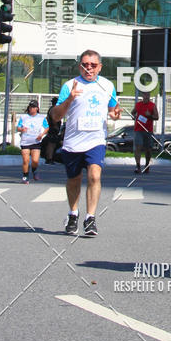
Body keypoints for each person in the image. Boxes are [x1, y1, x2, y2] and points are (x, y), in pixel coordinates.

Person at [50, 49, 121, 236]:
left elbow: (113, 110)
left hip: (96, 140)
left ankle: (90, 218)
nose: (88, 68)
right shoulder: (69, 85)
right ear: (80, 66)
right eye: (85, 64)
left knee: (94, 176)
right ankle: (73, 214)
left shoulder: (107, 86)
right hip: (73, 141)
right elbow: (56, 116)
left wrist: (115, 114)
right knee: (74, 180)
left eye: (93, 65)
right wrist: (71, 98)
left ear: (100, 67)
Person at [17, 99, 48, 183]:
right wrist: (22, 129)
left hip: (36, 142)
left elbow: (47, 127)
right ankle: (25, 176)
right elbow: (18, 127)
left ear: (37, 108)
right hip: (25, 141)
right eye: (30, 107)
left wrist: (41, 135)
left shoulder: (41, 117)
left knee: (35, 161)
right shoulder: (23, 117)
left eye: (34, 107)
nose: (32, 109)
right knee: (25, 160)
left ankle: (34, 170)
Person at [131, 90, 159, 174]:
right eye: (145, 95)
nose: (146, 97)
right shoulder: (138, 104)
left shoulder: (152, 105)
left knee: (148, 149)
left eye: (148, 95)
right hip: (138, 129)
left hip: (148, 130)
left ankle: (147, 165)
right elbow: (133, 112)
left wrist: (149, 115)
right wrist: (134, 116)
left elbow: (157, 117)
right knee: (138, 147)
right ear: (143, 96)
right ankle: (138, 166)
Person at [44, 95, 63, 164]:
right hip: (53, 128)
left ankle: (49, 157)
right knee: (51, 144)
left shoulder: (51, 109)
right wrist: (55, 126)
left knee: (53, 144)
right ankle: (49, 158)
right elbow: (54, 119)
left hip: (53, 128)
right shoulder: (53, 109)